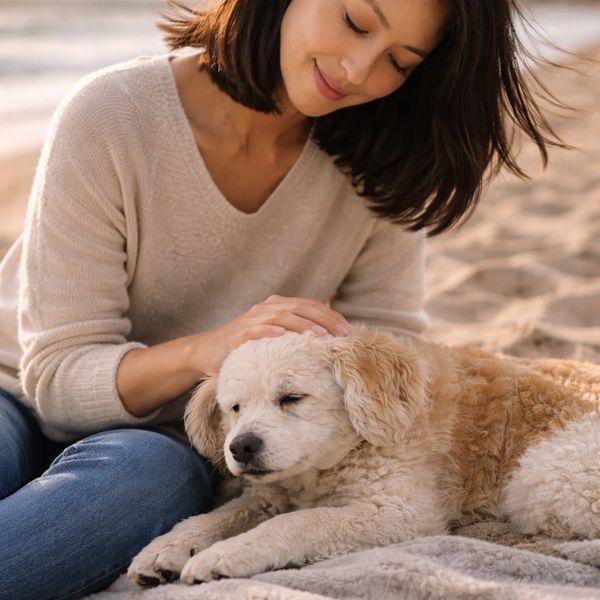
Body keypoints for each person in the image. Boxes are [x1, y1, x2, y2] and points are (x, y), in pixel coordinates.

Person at [0, 0, 565, 598]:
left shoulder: (385, 168)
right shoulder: (114, 114)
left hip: (174, 443)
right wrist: (210, 351)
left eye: (398, 62)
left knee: (145, 482)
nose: (355, 69)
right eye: (354, 22)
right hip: (14, 390)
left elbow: (386, 356)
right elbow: (58, 385)